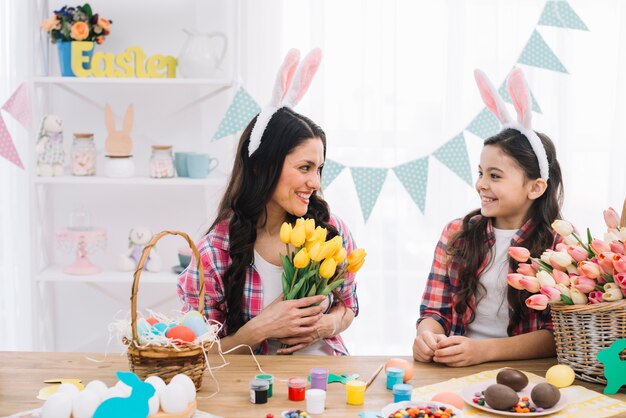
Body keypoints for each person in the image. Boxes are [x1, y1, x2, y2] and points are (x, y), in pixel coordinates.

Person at [178, 49, 359, 355]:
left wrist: (326, 326)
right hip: (253, 387)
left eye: (319, 169)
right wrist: (258, 330)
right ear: (263, 166)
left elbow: (348, 306)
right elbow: (198, 354)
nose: (315, 183)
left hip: (325, 381)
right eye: (304, 168)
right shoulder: (214, 252)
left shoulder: (331, 231)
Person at [412, 68, 564, 366]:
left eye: (495, 176)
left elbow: (557, 332)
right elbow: (435, 311)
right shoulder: (457, 232)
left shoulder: (559, 248)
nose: (481, 184)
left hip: (525, 371)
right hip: (456, 365)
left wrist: (484, 351)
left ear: (535, 187)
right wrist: (426, 336)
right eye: (481, 173)